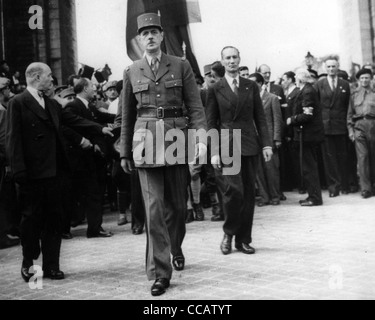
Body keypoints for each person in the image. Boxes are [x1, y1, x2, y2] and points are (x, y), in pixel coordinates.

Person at [119, 13, 207, 296]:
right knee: (154, 209)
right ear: (139, 39)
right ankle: (160, 272)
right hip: (145, 143)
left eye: (155, 32)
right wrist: (124, 151)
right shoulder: (132, 70)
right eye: (145, 33)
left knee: (177, 209)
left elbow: (195, 107)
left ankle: (176, 247)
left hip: (176, 140)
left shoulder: (181, 66)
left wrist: (201, 141)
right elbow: (126, 115)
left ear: (161, 35)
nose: (151, 37)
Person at [5, 62, 113, 282]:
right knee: (31, 221)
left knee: (55, 220)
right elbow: (12, 140)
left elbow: (74, 121)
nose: (52, 80)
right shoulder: (18, 102)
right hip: (32, 175)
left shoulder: (52, 104)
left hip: (56, 173)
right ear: (35, 77)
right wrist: (19, 171)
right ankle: (28, 262)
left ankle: (52, 265)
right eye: (49, 76)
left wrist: (99, 128)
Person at [206, 46, 272, 256]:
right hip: (227, 145)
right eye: (228, 58)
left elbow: (260, 118)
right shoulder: (215, 89)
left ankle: (244, 240)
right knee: (234, 192)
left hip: (249, 144)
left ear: (239, 59)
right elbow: (210, 122)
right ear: (222, 62)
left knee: (249, 195)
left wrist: (267, 144)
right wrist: (214, 150)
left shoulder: (250, 86)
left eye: (235, 57)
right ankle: (229, 233)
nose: (232, 61)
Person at [64, 78, 115, 238]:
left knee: (94, 192)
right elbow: (72, 126)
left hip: (90, 158)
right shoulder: (72, 106)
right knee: (76, 194)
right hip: (79, 159)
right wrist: (86, 140)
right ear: (85, 88)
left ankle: (94, 228)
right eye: (92, 87)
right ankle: (69, 229)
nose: (94, 90)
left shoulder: (89, 107)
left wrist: (123, 115)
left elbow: (102, 116)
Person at [286, 69, 324, 206]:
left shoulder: (307, 91)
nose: (295, 79)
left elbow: (307, 115)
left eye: (296, 78)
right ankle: (312, 196)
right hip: (306, 135)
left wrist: (292, 119)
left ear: (300, 79)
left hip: (307, 136)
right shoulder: (306, 90)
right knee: (308, 167)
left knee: (309, 168)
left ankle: (315, 198)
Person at [315, 56, 351, 197]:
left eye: (333, 66)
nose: (331, 69)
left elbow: (348, 105)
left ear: (338, 67)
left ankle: (345, 185)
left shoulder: (344, 84)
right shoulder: (320, 84)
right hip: (326, 126)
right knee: (329, 159)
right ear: (325, 68)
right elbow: (317, 106)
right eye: (328, 67)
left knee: (343, 156)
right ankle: (333, 187)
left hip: (341, 125)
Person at [249, 72, 283, 206]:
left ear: (260, 84)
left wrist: (277, 138)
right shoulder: (249, 99)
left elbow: (277, 120)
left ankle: (275, 196)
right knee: (259, 171)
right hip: (254, 140)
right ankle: (264, 197)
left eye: (254, 83)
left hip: (268, 139)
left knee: (271, 169)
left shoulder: (272, 98)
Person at [347, 68, 375, 199]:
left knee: (373, 157)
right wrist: (351, 131)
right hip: (359, 128)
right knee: (362, 158)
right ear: (358, 80)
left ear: (371, 79)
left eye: (367, 78)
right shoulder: (354, 95)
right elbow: (349, 115)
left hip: (373, 126)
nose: (364, 80)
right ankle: (366, 189)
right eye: (362, 78)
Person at [0, 77, 20, 249]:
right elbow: (4, 140)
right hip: (1, 162)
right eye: (7, 89)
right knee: (3, 199)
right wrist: (8, 163)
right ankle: (3, 236)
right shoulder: (2, 111)